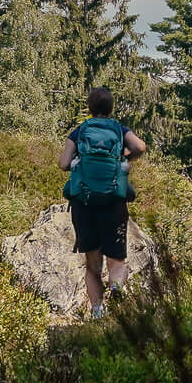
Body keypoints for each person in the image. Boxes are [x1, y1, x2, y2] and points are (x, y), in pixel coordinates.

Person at [58, 85, 147, 319]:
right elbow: (140, 146)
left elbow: (63, 163)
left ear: (90, 107)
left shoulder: (79, 131)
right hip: (113, 203)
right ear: (111, 107)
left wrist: (81, 160)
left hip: (84, 205)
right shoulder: (119, 130)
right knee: (117, 259)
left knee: (92, 265)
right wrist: (123, 157)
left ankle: (97, 310)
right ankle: (116, 286)